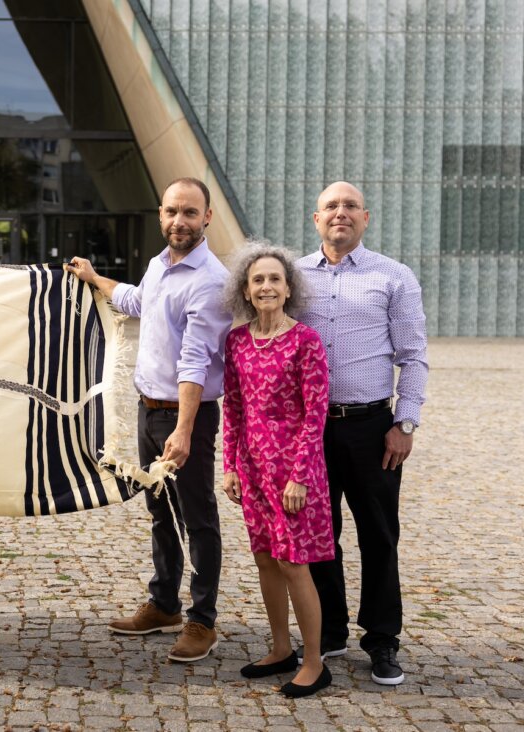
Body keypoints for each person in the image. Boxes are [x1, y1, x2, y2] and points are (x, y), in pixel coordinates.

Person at [64, 177, 233, 662]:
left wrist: (183, 430)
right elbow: (137, 302)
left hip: (187, 417)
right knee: (160, 513)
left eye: (189, 213)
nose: (179, 221)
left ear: (207, 218)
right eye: (171, 212)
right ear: (161, 215)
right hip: (148, 410)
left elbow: (196, 361)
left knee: (197, 519)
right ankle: (164, 606)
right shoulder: (161, 266)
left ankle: (202, 621)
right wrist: (96, 279)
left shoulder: (210, 281)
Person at [298, 181, 428, 686]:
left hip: (374, 427)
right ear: (316, 218)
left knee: (378, 534)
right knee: (318, 532)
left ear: (366, 217)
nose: (341, 213)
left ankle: (381, 639)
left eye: (350, 206)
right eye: (331, 206)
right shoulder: (295, 277)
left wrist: (405, 422)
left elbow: (412, 355)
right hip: (309, 429)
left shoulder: (393, 277)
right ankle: (328, 630)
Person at [221, 242, 334, 698]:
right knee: (265, 559)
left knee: (293, 563)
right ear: (246, 292)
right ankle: (281, 649)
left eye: (274, 279)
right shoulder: (236, 340)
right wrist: (229, 465)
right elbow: (232, 405)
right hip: (252, 468)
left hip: (294, 471)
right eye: (258, 280)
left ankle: (314, 662)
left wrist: (300, 476)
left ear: (289, 289)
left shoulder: (304, 340)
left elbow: (316, 413)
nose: (266, 286)